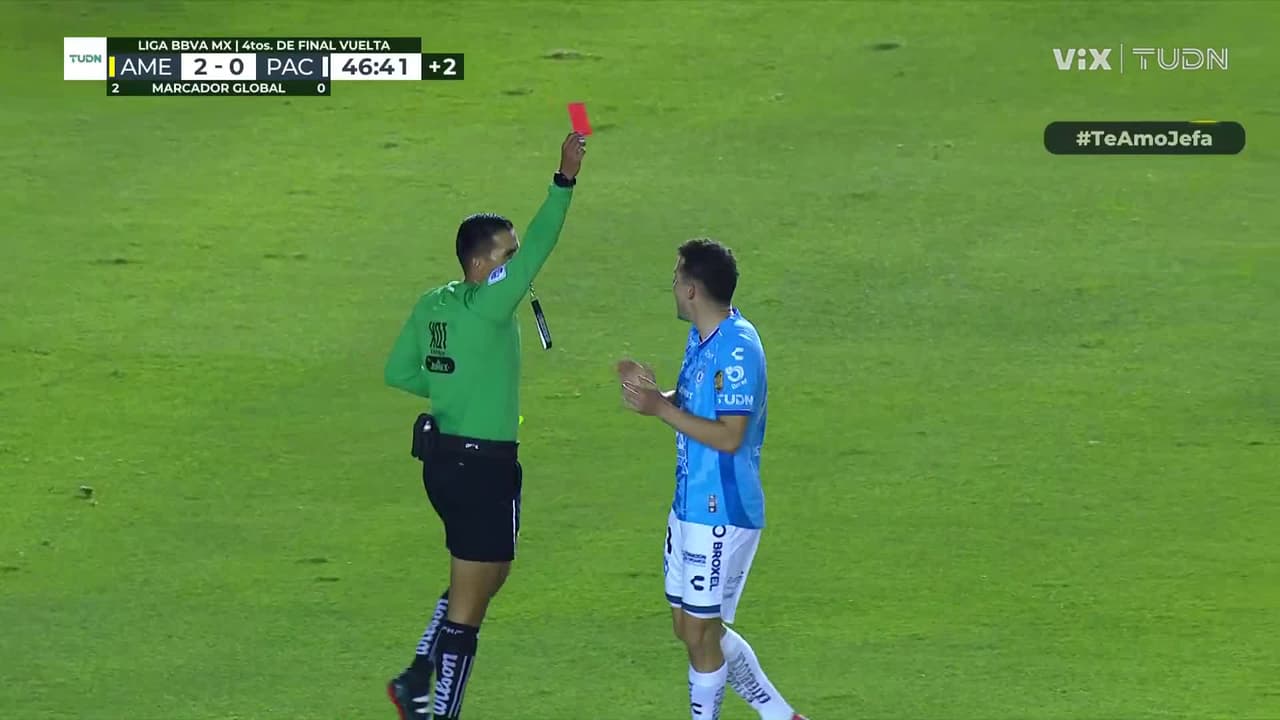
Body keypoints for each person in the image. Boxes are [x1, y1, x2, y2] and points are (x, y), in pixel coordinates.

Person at [382, 132, 587, 719]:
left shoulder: (434, 304)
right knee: (470, 609)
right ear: (480, 264)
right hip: (480, 469)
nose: (517, 264)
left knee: (487, 575)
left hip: (449, 464)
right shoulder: (490, 305)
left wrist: (452, 386)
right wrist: (564, 179)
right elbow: (543, 243)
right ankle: (434, 706)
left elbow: (400, 372)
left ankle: (417, 673)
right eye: (507, 256)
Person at [619, 238, 807, 720]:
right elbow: (690, 399)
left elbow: (729, 435)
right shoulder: (701, 338)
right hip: (689, 506)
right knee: (691, 628)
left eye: (676, 278)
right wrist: (652, 397)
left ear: (692, 290)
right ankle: (782, 716)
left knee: (702, 632)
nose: (672, 286)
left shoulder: (738, 348)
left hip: (722, 509)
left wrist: (660, 409)